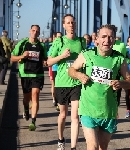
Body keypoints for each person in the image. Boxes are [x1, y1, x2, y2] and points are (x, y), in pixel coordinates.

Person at [68, 24, 130, 150]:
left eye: (110, 37)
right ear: (96, 39)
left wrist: (121, 83)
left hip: (108, 111)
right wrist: (79, 75)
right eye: (103, 36)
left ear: (114, 40)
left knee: (102, 147)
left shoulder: (119, 59)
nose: (107, 40)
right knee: (92, 147)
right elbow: (71, 70)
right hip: (88, 110)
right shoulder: (86, 54)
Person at [47, 14, 86, 150]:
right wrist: (62, 56)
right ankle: (60, 139)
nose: (71, 25)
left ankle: (73, 147)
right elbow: (49, 62)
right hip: (62, 83)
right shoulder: (59, 42)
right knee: (63, 115)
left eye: (73, 22)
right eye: (68, 23)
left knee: (75, 117)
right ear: (63, 26)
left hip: (76, 83)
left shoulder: (81, 42)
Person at [11, 25, 47, 131]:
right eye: (33, 30)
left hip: (38, 74)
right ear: (29, 31)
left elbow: (45, 59)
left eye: (37, 31)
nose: (35, 32)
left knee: (35, 95)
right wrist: (22, 56)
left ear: (39, 33)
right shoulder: (23, 43)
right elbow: (12, 58)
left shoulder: (41, 45)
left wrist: (45, 61)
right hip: (25, 74)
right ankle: (26, 108)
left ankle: (33, 121)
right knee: (26, 99)